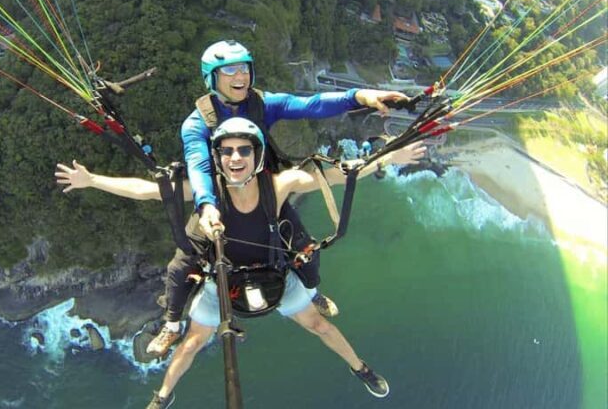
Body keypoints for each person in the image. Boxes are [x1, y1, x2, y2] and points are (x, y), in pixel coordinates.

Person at [55, 118, 426, 408]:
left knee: (320, 326)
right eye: (227, 151)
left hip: (275, 275)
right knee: (192, 342)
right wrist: (92, 181)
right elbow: (149, 191)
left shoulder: (277, 186)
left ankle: (360, 367)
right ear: (217, 157)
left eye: (244, 151)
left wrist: (387, 158)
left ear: (257, 155)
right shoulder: (208, 193)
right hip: (223, 281)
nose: (235, 158)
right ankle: (164, 395)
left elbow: (334, 176)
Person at [147, 39, 411, 357]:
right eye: (228, 69)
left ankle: (311, 294)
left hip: (267, 194)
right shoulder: (197, 123)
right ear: (212, 77)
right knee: (180, 267)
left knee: (307, 250)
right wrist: (206, 205)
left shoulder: (261, 104)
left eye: (244, 68)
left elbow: (311, 105)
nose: (239, 75)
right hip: (219, 199)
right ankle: (172, 324)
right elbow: (199, 164)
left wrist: (362, 96)